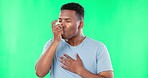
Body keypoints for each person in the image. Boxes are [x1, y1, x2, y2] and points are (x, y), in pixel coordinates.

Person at [35, 2, 114, 78]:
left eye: (67, 21)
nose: (62, 25)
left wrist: (80, 70)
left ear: (80, 24)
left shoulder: (98, 47)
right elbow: (40, 73)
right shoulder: (52, 44)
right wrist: (56, 42)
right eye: (60, 20)